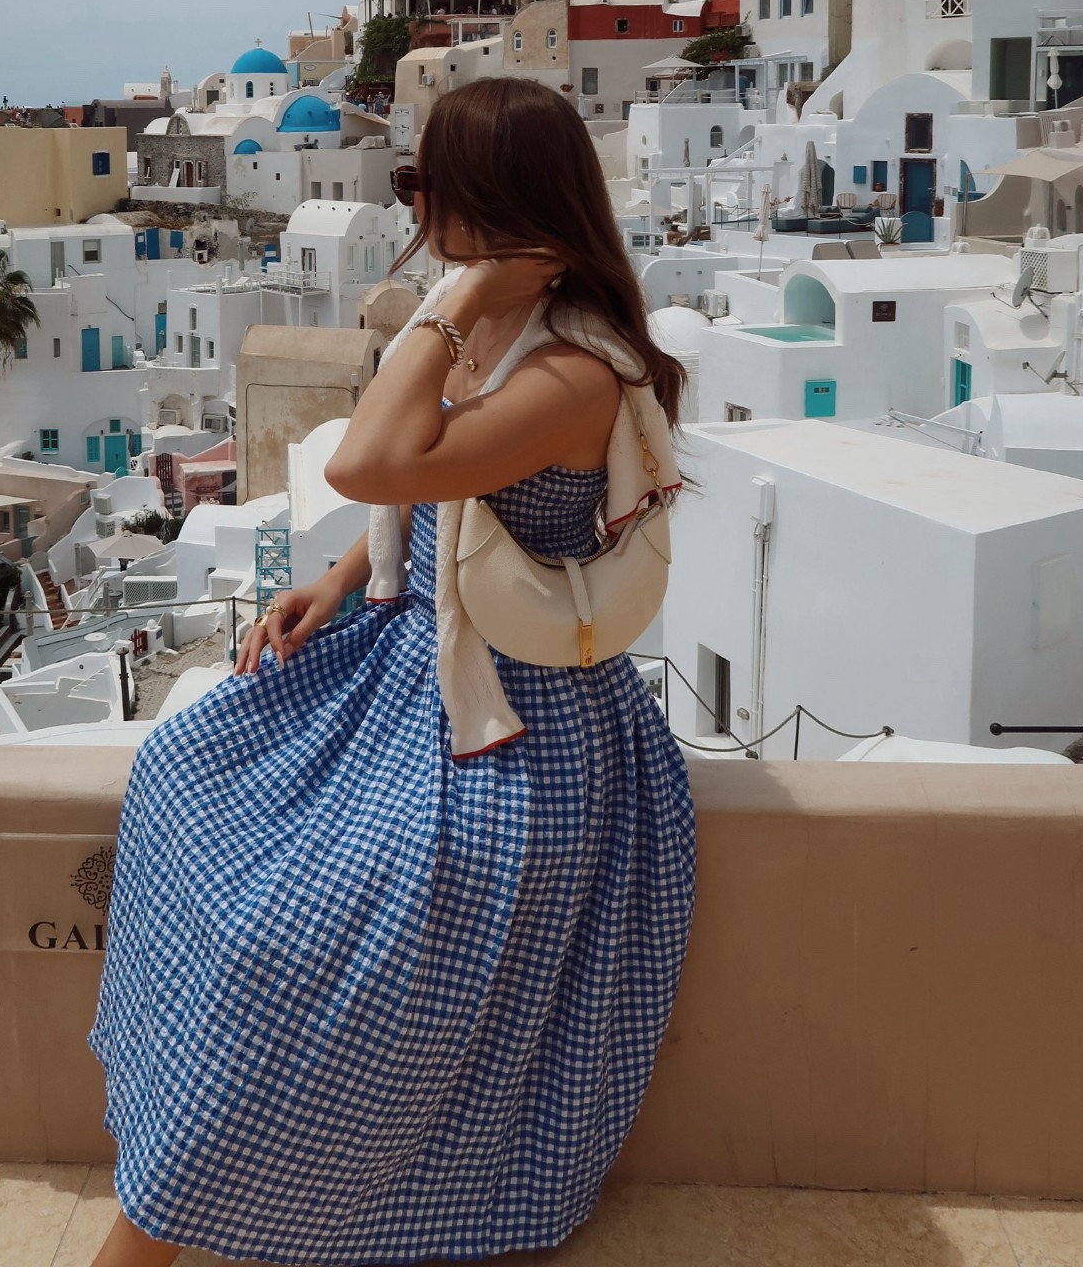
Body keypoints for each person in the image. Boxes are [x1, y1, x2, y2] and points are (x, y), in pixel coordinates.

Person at [88, 80, 696, 1266]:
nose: (413, 206)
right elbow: (424, 493)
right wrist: (337, 576)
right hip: (415, 658)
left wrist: (455, 298)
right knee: (182, 777)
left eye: (429, 188)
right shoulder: (516, 337)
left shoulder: (573, 370)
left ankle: (151, 1230)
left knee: (290, 951)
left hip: (517, 718)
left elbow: (373, 456)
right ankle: (167, 1184)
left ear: (502, 202)